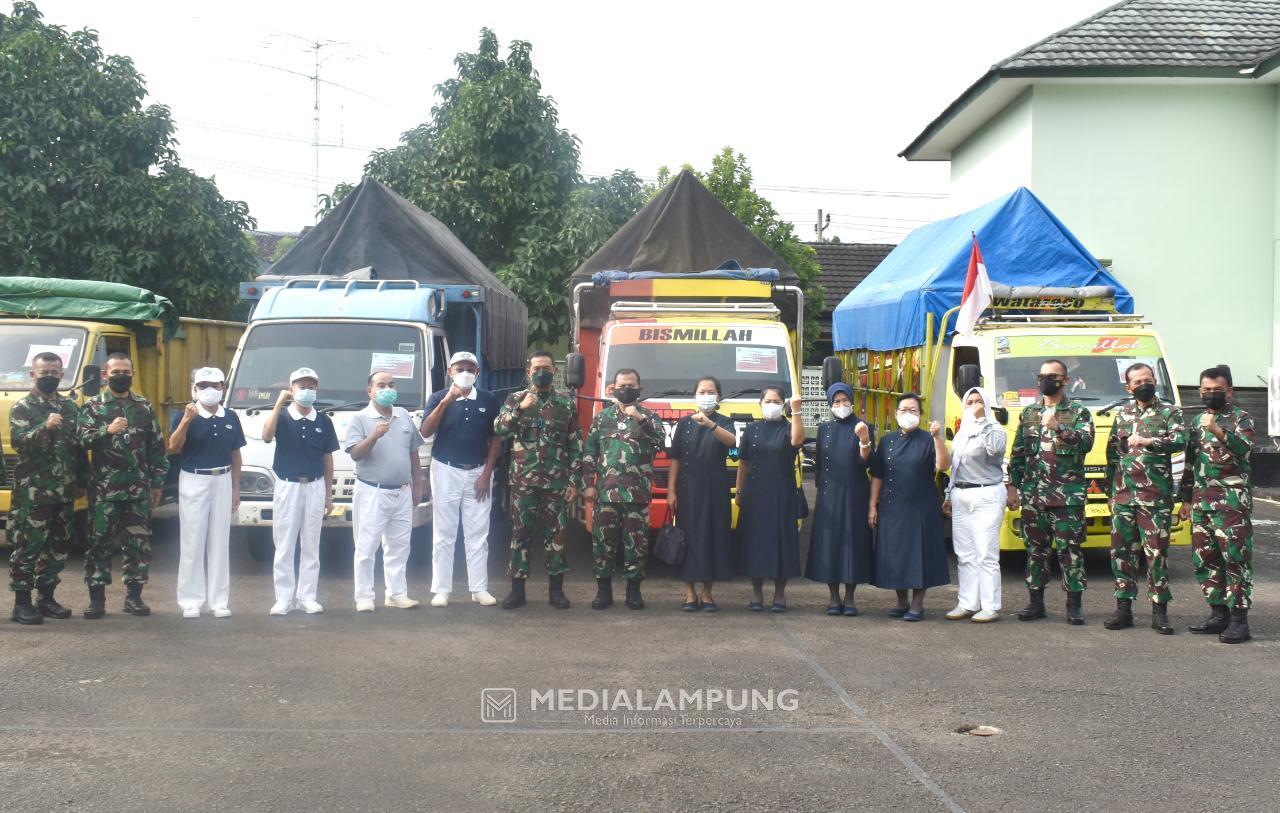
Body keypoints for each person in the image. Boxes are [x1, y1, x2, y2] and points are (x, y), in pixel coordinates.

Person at [77, 352, 168, 619]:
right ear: (105, 375)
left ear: (132, 375)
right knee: (99, 544)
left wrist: (157, 483)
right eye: (115, 372)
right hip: (104, 491)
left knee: (138, 544)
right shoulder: (93, 407)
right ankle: (96, 600)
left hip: (137, 490)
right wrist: (107, 430)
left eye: (126, 372)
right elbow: (81, 440)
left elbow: (156, 447)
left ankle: (134, 598)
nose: (121, 376)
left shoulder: (143, 407)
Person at [1007, 359, 1095, 625]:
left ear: (1065, 381)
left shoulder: (1078, 411)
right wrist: (1012, 486)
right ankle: (1035, 603)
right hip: (1034, 496)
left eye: (1054, 376)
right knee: (1035, 551)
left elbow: (1087, 443)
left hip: (1067, 497)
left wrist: (1059, 427)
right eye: (1043, 376)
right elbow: (1018, 452)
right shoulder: (1029, 412)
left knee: (1070, 552)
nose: (1047, 380)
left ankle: (1074, 605)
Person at [493, 351, 582, 610]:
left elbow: (575, 445)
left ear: (555, 371)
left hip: (556, 483)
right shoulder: (515, 399)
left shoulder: (566, 405)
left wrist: (574, 481)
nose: (541, 372)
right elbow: (499, 429)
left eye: (546, 367)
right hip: (523, 482)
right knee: (520, 536)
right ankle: (517, 591)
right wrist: (520, 410)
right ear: (528, 371)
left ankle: (556, 591)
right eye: (536, 368)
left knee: (557, 537)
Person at [1103, 363, 1186, 635]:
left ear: (1155, 381)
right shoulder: (1124, 413)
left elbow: (1180, 440)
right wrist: (1111, 493)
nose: (1143, 385)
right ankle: (1123, 608)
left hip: (1155, 497)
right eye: (1137, 382)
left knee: (1156, 555)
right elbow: (1113, 454)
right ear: (1129, 387)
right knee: (1122, 554)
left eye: (1147, 380)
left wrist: (1150, 441)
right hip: (1125, 497)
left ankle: (1159, 612)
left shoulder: (1170, 412)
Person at [8, 351, 85, 625]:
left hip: (63, 491)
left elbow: (77, 448)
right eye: (44, 373)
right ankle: (22, 603)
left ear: (62, 375)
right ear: (33, 374)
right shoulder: (22, 407)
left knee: (58, 547)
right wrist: (45, 426)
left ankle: (46, 597)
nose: (49, 377)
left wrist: (82, 482)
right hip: (34, 493)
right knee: (29, 547)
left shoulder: (69, 408)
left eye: (54, 373)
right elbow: (19, 442)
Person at [1180, 366, 1255, 643]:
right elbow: (1191, 462)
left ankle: (1239, 620)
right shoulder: (1196, 420)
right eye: (1206, 390)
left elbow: (1245, 449)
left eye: (1217, 390)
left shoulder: (1241, 418)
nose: (1211, 394)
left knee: (1235, 560)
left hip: (1232, 503)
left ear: (1229, 391)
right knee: (1206, 559)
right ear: (1200, 391)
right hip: (1202, 503)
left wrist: (1218, 430)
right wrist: (1185, 499)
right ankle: (1217, 613)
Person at [421, 351, 502, 608]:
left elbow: (496, 438)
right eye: (459, 368)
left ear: (477, 373)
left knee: (478, 533)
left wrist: (487, 473)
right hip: (445, 470)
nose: (465, 372)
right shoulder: (437, 398)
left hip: (477, 471)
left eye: (470, 368)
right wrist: (447, 400)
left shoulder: (488, 400)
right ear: (450, 371)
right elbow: (425, 431)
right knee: (444, 532)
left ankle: (479, 588)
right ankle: (441, 589)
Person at [581, 368, 665, 611]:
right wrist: (588, 485)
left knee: (636, 546)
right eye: (622, 385)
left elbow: (660, 442)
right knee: (602, 545)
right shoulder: (602, 418)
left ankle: (634, 591)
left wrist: (639, 419)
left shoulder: (650, 417)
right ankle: (603, 591)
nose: (626, 389)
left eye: (631, 385)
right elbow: (589, 453)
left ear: (639, 389)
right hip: (606, 494)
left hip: (637, 495)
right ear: (613, 388)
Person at [167, 367, 246, 619]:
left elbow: (236, 454)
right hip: (194, 478)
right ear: (194, 389)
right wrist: (186, 420)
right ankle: (191, 600)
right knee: (193, 540)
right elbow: (172, 446)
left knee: (220, 540)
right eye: (203, 386)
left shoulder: (230, 417)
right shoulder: (184, 415)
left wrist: (236, 489)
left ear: (223, 388)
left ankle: (218, 600)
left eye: (215, 385)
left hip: (222, 478)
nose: (209, 390)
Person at [261, 367, 338, 616]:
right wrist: (278, 405)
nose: (307, 391)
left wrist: (328, 495)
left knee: (311, 545)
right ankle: (283, 598)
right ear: (291, 389)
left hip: (315, 486)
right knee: (284, 544)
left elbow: (328, 459)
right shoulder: (282, 417)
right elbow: (266, 436)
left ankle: (307, 597)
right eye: (302, 386)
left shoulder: (324, 420)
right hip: (288, 485)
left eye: (311, 386)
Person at [345, 370, 425, 612]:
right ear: (370, 390)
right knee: (366, 547)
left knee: (400, 545)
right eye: (381, 385)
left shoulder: (403, 415)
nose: (387, 389)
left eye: (391, 384)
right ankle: (364, 597)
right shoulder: (360, 418)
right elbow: (355, 453)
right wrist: (374, 436)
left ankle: (397, 593)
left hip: (402, 491)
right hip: (372, 491)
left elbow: (414, 453)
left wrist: (418, 485)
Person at [869, 392, 949, 621]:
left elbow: (943, 465)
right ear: (895, 414)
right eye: (904, 409)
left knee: (920, 556)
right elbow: (877, 474)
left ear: (921, 415)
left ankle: (917, 603)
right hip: (892, 506)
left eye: (913, 410)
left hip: (921, 507)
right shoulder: (887, 441)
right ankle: (901, 600)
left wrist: (938, 438)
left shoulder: (928, 439)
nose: (908, 414)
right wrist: (872, 506)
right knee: (896, 554)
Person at [666, 376, 737, 612]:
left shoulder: (724, 422)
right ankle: (689, 594)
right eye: (702, 391)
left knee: (713, 537)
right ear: (694, 395)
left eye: (711, 391)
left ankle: (707, 593)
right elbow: (675, 459)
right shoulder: (684, 424)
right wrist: (670, 491)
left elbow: (732, 443)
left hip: (715, 488)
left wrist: (710, 424)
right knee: (689, 538)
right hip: (688, 489)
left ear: (718, 396)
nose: (706, 395)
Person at [804, 382, 873, 616]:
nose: (841, 405)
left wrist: (864, 440)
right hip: (828, 494)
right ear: (830, 404)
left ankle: (850, 597)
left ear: (852, 402)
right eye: (836, 402)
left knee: (853, 544)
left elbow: (866, 462)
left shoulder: (863, 426)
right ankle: (833, 597)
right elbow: (819, 463)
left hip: (855, 493)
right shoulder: (824, 428)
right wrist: (821, 486)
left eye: (845, 401)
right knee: (829, 545)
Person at [736, 386, 806, 612]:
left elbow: (797, 441)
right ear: (760, 403)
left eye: (777, 401)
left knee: (781, 543)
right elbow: (743, 462)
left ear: (783, 404)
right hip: (755, 492)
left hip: (782, 492)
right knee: (755, 542)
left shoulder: (788, 427)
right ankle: (756, 593)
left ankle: (779, 594)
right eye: (768, 400)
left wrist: (795, 411)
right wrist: (739, 491)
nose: (772, 404)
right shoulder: (752, 430)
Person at [941, 387, 1007, 623]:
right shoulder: (962, 432)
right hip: (961, 494)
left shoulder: (995, 429)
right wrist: (949, 494)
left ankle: (990, 605)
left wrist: (982, 419)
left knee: (986, 554)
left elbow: (995, 450)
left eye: (979, 401)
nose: (974, 405)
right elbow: (955, 467)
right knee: (965, 554)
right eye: (969, 402)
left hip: (987, 494)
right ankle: (968, 602)